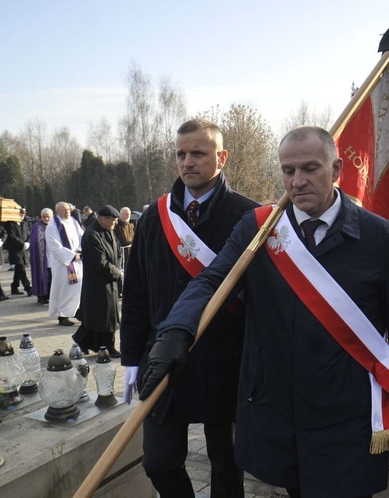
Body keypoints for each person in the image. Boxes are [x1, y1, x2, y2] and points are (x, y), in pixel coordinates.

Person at [134, 125, 389, 497]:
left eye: (310, 168)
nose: (298, 181)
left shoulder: (374, 236)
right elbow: (212, 280)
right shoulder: (259, 229)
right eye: (288, 171)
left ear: (337, 169)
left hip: (347, 413)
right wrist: (177, 329)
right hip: (282, 411)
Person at [120, 118, 259, 497]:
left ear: (222, 157)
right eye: (181, 154)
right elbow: (135, 292)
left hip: (225, 362)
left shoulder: (251, 217)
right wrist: (132, 356)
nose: (187, 162)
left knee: (227, 464)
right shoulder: (154, 217)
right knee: (159, 462)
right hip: (164, 357)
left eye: (198, 153)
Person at [72, 205, 123, 356]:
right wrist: (117, 273)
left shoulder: (108, 231)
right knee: (104, 316)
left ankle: (89, 342)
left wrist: (118, 269)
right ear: (102, 219)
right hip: (98, 282)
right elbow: (99, 262)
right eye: (112, 221)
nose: (115, 224)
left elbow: (118, 251)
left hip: (109, 280)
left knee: (102, 316)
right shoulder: (92, 235)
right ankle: (107, 347)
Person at [46, 201, 84, 326]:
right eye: (64, 210)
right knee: (64, 288)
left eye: (68, 209)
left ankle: (77, 311)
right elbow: (54, 246)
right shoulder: (53, 226)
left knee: (77, 287)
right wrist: (72, 256)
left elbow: (81, 237)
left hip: (77, 260)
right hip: (63, 263)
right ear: (57, 211)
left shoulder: (73, 222)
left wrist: (79, 251)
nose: (67, 212)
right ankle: (63, 315)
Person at [5, 207, 32, 296]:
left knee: (18, 269)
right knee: (21, 268)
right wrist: (22, 243)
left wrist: (28, 242)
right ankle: (28, 288)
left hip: (23, 250)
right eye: (20, 213)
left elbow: (28, 234)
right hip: (15, 250)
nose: (22, 215)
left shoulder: (24, 224)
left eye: (24, 214)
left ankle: (14, 287)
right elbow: (12, 237)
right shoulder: (10, 224)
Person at [29, 208, 53, 305]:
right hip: (41, 257)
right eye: (44, 216)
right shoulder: (37, 227)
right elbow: (34, 241)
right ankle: (42, 296)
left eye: (48, 216)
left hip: (53, 257)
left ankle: (51, 295)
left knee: (52, 278)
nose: (46, 219)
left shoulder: (55, 226)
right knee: (43, 276)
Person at [113, 206, 135, 297]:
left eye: (129, 214)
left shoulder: (131, 225)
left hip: (129, 251)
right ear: (121, 214)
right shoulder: (117, 226)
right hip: (120, 251)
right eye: (126, 214)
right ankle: (119, 290)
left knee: (129, 270)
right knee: (120, 270)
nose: (127, 216)